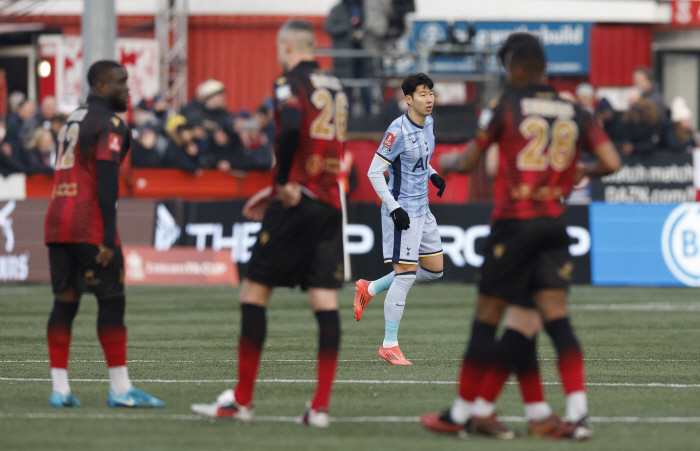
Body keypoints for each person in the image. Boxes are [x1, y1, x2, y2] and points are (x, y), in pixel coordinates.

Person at [420, 32, 620, 440]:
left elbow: (472, 159)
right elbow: (611, 161)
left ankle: (461, 413)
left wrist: (445, 161)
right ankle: (562, 413)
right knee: (536, 322)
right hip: (554, 223)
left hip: (514, 223)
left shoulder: (506, 106)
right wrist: (584, 171)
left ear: (516, 69)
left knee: (486, 319)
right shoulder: (573, 109)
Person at [190, 19, 347, 428]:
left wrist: (281, 182)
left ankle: (242, 401)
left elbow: (292, 126)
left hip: (298, 198)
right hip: (331, 201)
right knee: (324, 301)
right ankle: (320, 407)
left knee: (254, 292)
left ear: (286, 45)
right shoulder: (336, 85)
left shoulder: (288, 82)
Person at [43, 60, 165, 409]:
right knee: (112, 302)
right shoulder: (110, 123)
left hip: (56, 220)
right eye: (121, 82)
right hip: (88, 223)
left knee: (64, 304)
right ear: (100, 85)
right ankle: (121, 389)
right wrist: (109, 236)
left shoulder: (72, 119)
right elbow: (108, 179)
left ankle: (60, 389)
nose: (128, 88)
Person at [352, 72, 446, 365]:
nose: (428, 98)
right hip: (401, 211)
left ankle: (370, 288)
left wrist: (433, 174)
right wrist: (393, 207)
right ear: (408, 99)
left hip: (422, 208)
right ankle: (388, 345)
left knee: (433, 270)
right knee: (405, 275)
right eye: (422, 94)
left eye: (430, 92)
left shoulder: (428, 123)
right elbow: (373, 171)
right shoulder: (397, 130)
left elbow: (421, 159)